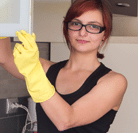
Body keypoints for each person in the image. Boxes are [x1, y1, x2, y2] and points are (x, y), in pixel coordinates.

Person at [0, 0, 127, 133]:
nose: (82, 33)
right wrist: (4, 10)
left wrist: (35, 74)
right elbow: (4, 58)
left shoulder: (114, 82)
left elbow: (66, 120)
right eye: (76, 23)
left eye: (93, 26)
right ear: (66, 29)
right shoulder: (45, 69)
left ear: (104, 35)